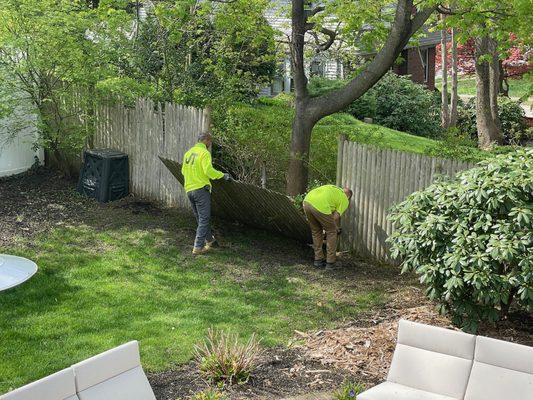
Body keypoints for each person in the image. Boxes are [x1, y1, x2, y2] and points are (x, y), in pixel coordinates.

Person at [182, 132, 231, 255]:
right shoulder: (204, 153)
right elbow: (208, 171)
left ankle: (210, 240)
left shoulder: (188, 153)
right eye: (210, 142)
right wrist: (223, 175)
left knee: (200, 218)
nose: (210, 144)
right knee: (204, 219)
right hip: (200, 190)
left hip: (189, 190)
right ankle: (198, 247)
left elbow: (183, 171)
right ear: (206, 140)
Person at [303, 185, 352, 269]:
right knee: (332, 232)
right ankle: (330, 262)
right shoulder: (345, 199)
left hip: (307, 201)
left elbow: (330, 219)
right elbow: (335, 217)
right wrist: (334, 229)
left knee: (316, 231)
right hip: (320, 205)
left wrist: (331, 226)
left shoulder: (333, 189)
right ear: (348, 196)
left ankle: (318, 260)